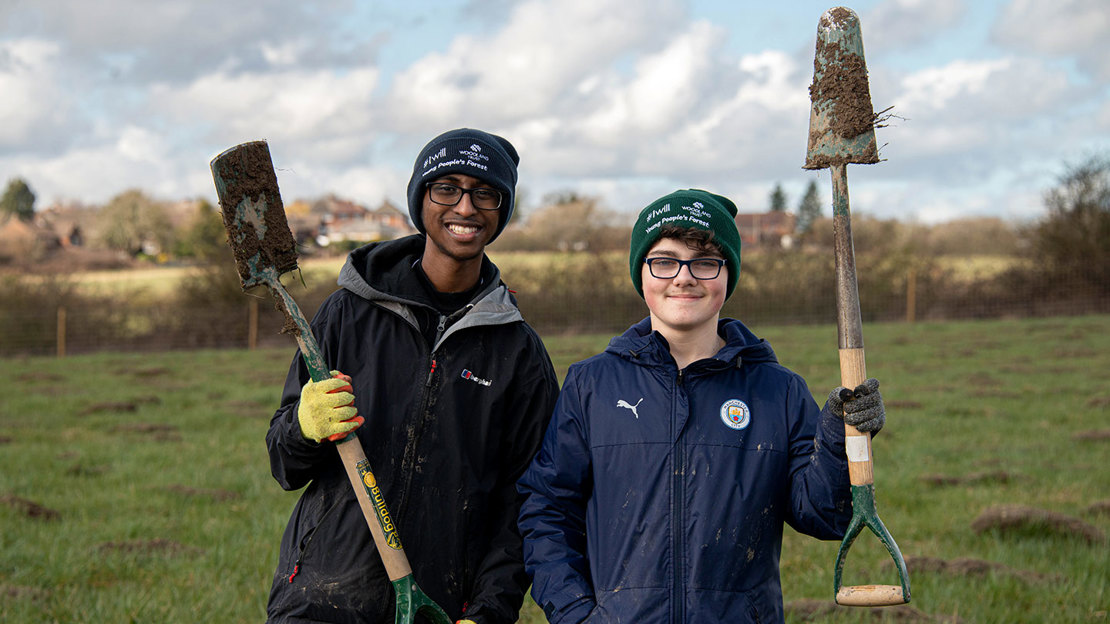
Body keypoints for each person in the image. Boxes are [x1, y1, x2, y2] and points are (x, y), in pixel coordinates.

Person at [517, 189, 886, 624]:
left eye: (705, 261)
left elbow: (824, 516)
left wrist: (839, 440)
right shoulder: (591, 385)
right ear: (642, 271)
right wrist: (574, 612)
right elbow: (547, 509)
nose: (684, 277)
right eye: (665, 260)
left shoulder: (777, 391)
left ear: (728, 274)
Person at [266, 128, 560, 624]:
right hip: (319, 600)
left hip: (436, 610)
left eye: (484, 193)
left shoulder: (519, 354)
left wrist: (489, 612)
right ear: (420, 199)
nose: (465, 207)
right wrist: (304, 426)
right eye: (446, 188)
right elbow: (284, 464)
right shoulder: (347, 315)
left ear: (500, 212)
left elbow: (524, 505)